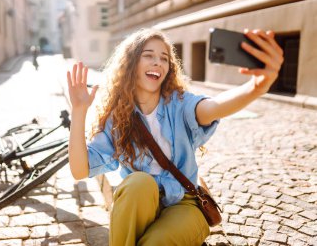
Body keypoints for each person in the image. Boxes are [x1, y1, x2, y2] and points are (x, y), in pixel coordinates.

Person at [66, 28, 283, 245]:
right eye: (148, 55)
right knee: (139, 182)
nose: (157, 62)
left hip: (185, 204)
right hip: (141, 203)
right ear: (130, 64)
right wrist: (79, 111)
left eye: (164, 58)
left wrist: (256, 87)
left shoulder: (180, 103)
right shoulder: (118, 119)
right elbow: (79, 169)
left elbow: (213, 107)